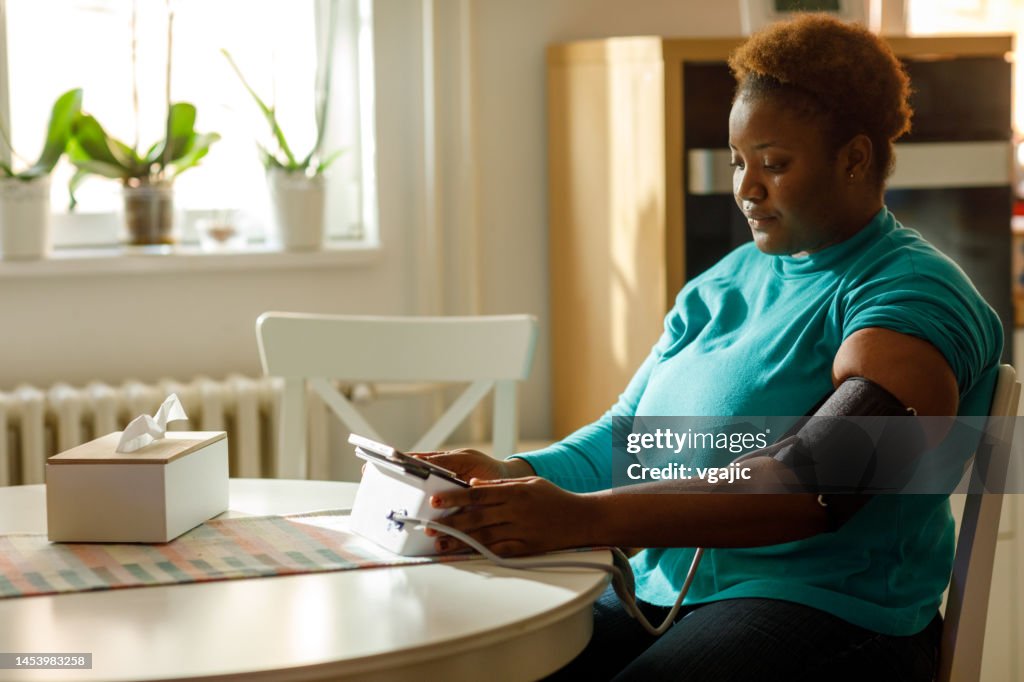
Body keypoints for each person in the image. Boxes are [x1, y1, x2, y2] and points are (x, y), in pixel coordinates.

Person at [415, 14, 1003, 681]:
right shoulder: (720, 286)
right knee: (482, 664)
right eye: (738, 162)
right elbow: (626, 442)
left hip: (833, 611)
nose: (747, 188)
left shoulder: (910, 291)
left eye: (774, 165)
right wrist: (509, 471)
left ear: (855, 157)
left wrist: (582, 518)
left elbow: (818, 479)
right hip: (664, 597)